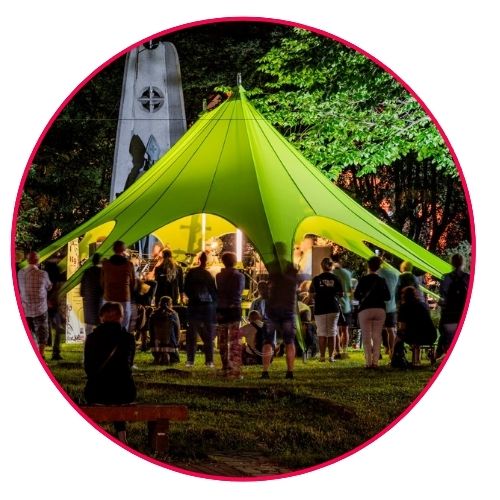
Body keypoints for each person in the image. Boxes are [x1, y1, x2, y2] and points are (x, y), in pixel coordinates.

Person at [84, 302, 136, 443]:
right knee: (117, 389)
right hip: (125, 393)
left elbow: (88, 368)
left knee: (107, 387)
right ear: (121, 317)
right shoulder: (128, 338)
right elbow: (129, 364)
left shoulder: (92, 338)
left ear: (101, 317)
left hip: (97, 393)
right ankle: (122, 437)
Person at [261, 242, 299, 379]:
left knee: (268, 340)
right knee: (289, 341)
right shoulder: (291, 267)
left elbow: (268, 289)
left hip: (273, 309)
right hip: (288, 308)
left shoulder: (272, 267)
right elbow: (295, 286)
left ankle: (265, 371)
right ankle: (290, 371)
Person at [354, 255, 391, 368]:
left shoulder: (363, 280)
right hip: (379, 309)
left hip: (365, 309)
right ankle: (375, 362)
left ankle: (368, 362)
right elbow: (388, 297)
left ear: (368, 266)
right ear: (379, 267)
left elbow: (356, 296)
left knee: (366, 336)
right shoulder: (382, 280)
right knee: (377, 336)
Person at [183, 251, 217, 367]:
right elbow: (213, 292)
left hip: (194, 305)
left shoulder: (191, 272)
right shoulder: (208, 274)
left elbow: (186, 288)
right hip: (207, 306)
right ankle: (209, 361)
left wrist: (192, 296)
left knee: (191, 334)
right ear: (206, 261)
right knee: (208, 335)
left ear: (198, 260)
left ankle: (190, 360)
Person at [216, 252, 245, 377]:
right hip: (234, 309)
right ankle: (234, 367)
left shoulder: (218, 276)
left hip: (221, 309)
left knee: (222, 338)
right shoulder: (239, 276)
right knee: (234, 339)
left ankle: (225, 365)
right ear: (235, 261)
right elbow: (239, 292)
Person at [308, 257, 344, 362]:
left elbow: (311, 295)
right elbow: (341, 294)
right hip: (333, 307)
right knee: (332, 332)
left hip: (320, 308)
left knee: (321, 333)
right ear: (332, 266)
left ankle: (322, 357)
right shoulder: (336, 278)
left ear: (321, 266)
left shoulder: (316, 279)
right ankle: (331, 357)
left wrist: (319, 295)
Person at [18, 251, 52, 358]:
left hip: (25, 309)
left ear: (27, 260)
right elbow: (49, 287)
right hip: (40, 309)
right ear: (38, 261)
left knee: (28, 333)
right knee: (42, 333)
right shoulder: (43, 274)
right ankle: (40, 355)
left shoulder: (20, 273)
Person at [436, 253, 470, 359]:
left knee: (444, 333)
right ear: (463, 263)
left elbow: (442, 296)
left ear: (451, 263)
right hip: (462, 313)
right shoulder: (468, 278)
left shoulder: (446, 278)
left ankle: (439, 352)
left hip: (449, 314)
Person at [397, 286, 437, 365]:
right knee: (416, 332)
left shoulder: (404, 307)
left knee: (399, 334)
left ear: (404, 296)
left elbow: (402, 327)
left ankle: (397, 356)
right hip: (430, 335)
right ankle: (417, 359)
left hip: (413, 337)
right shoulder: (423, 305)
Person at [101, 241, 135, 330]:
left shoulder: (105, 264)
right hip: (124, 298)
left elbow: (102, 282)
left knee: (107, 326)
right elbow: (133, 284)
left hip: (108, 298)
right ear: (124, 250)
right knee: (123, 326)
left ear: (113, 249)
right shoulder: (129, 265)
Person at [331, 254, 353, 357]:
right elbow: (350, 290)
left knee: (335, 329)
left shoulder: (331, 273)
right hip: (346, 305)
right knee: (345, 329)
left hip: (334, 304)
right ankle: (344, 350)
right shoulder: (347, 273)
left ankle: (337, 350)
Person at [377, 258, 399, 358]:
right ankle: (392, 352)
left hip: (379, 306)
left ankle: (377, 352)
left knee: (377, 330)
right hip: (392, 306)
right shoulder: (395, 274)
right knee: (391, 330)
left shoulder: (377, 273)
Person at [149, 296, 180, 365]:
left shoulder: (154, 314)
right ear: (170, 304)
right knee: (175, 359)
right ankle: (166, 356)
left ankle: (159, 357)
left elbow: (150, 329)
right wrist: (177, 342)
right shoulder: (173, 314)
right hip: (171, 345)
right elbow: (177, 329)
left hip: (156, 346)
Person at [44, 261, 66, 360]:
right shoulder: (58, 282)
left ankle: (45, 352)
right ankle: (55, 352)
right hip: (54, 308)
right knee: (58, 329)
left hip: (46, 308)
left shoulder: (45, 280)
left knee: (45, 330)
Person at [80, 253, 103, 335]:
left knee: (89, 325)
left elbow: (82, 286)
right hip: (99, 299)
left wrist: (83, 294)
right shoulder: (102, 272)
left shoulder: (87, 271)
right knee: (100, 323)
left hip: (89, 300)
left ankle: (88, 340)